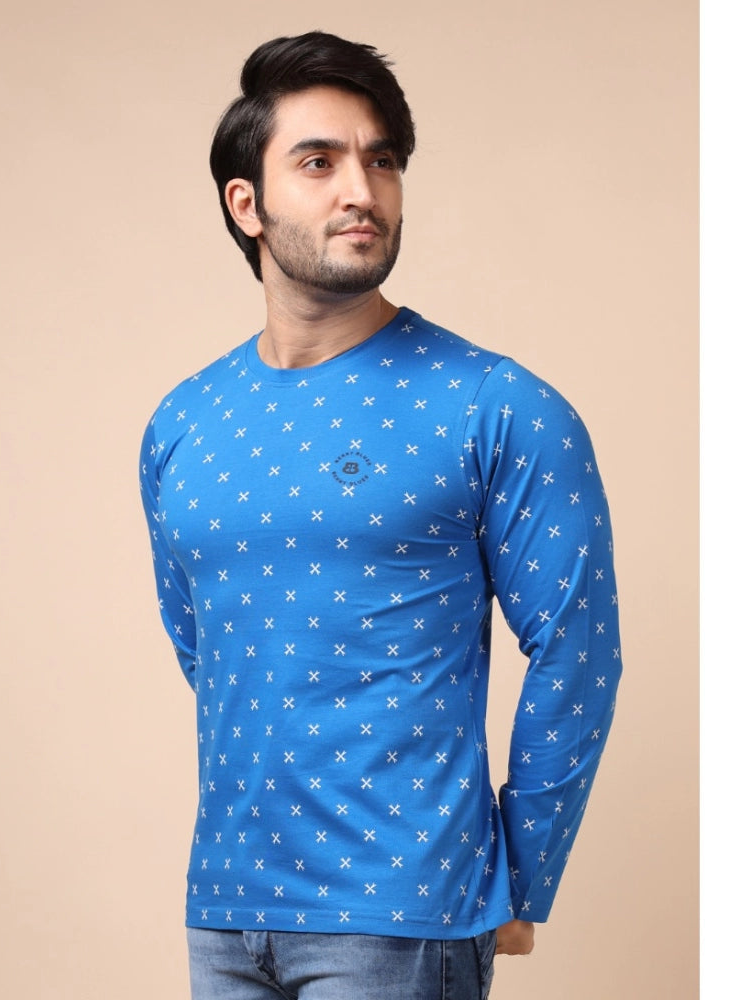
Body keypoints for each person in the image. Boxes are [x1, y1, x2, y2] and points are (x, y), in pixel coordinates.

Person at [140, 30, 622, 1000]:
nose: (361, 189)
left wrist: (523, 871)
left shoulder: (496, 405)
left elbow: (579, 650)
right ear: (246, 203)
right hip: (225, 908)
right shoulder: (182, 422)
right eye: (318, 162)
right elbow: (211, 649)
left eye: (383, 160)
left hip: (400, 913)